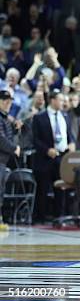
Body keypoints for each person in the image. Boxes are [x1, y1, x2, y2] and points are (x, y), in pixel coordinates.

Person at [32, 90, 75, 222]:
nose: (63, 103)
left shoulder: (65, 116)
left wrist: (72, 142)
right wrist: (47, 150)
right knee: (43, 189)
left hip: (62, 157)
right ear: (52, 100)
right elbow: (34, 139)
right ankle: (41, 218)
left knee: (61, 189)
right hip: (45, 158)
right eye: (61, 100)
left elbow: (68, 134)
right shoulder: (39, 117)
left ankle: (59, 217)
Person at [0, 89, 20, 230]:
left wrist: (16, 129)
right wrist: (14, 148)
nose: (8, 104)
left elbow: (7, 135)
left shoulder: (4, 117)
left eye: (9, 101)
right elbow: (1, 139)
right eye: (5, 101)